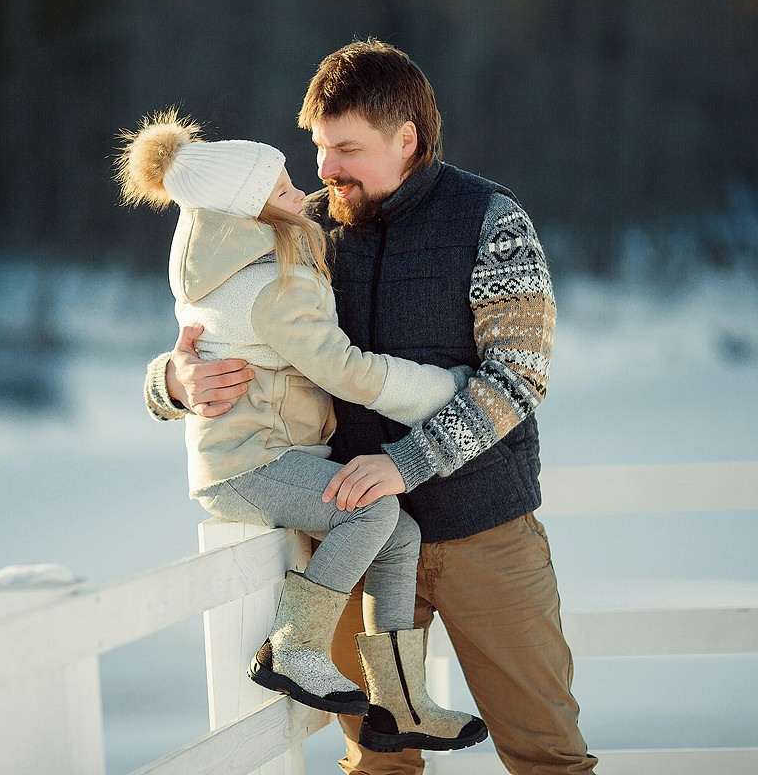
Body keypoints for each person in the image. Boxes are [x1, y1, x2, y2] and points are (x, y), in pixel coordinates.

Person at [143, 40, 598, 774]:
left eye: (345, 148)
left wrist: (405, 464)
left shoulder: (489, 218)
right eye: (318, 148)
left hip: (484, 534)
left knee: (546, 754)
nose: (324, 170)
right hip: (354, 543)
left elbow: (518, 378)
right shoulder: (300, 226)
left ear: (406, 139)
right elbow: (215, 318)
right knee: (378, 766)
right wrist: (172, 381)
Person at [116, 109, 488, 753]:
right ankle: (295, 646)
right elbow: (345, 371)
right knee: (372, 515)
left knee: (398, 533)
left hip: (269, 454)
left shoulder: (243, 261)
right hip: (249, 463)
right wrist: (448, 389)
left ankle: (399, 704)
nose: (304, 197)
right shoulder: (267, 285)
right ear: (248, 215)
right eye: (284, 190)